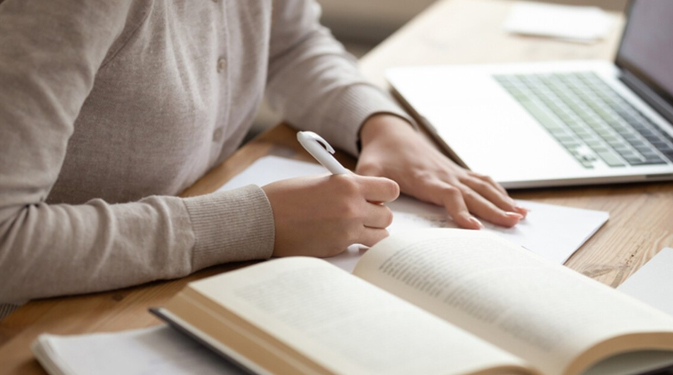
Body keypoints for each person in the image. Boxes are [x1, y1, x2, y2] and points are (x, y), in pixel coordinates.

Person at [0, 0, 527, 305]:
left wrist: (380, 123)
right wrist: (255, 223)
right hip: (43, 317)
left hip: (158, 284)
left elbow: (291, 43)